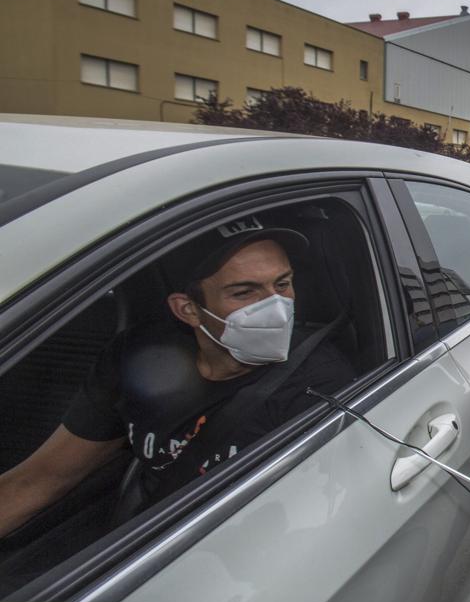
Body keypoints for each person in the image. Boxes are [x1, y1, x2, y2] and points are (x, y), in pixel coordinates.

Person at [0, 217, 354, 538]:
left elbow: (308, 524)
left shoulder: (318, 385)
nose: (276, 307)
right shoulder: (138, 358)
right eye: (244, 292)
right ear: (187, 310)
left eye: (283, 284)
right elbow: (42, 478)